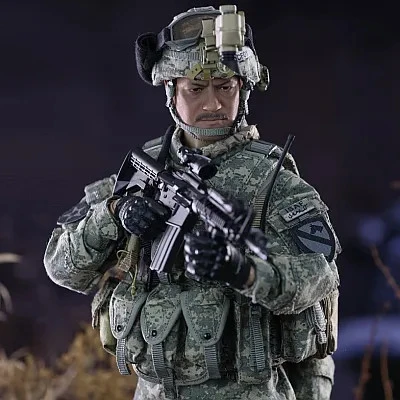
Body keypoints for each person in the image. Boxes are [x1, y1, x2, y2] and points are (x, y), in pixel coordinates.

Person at [44, 5, 341, 400]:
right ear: (171, 92)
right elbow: (61, 268)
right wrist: (113, 215)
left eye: (225, 87)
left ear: (243, 89)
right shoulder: (144, 171)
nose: (213, 104)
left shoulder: (276, 183)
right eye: (196, 89)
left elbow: (319, 275)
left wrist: (243, 271)